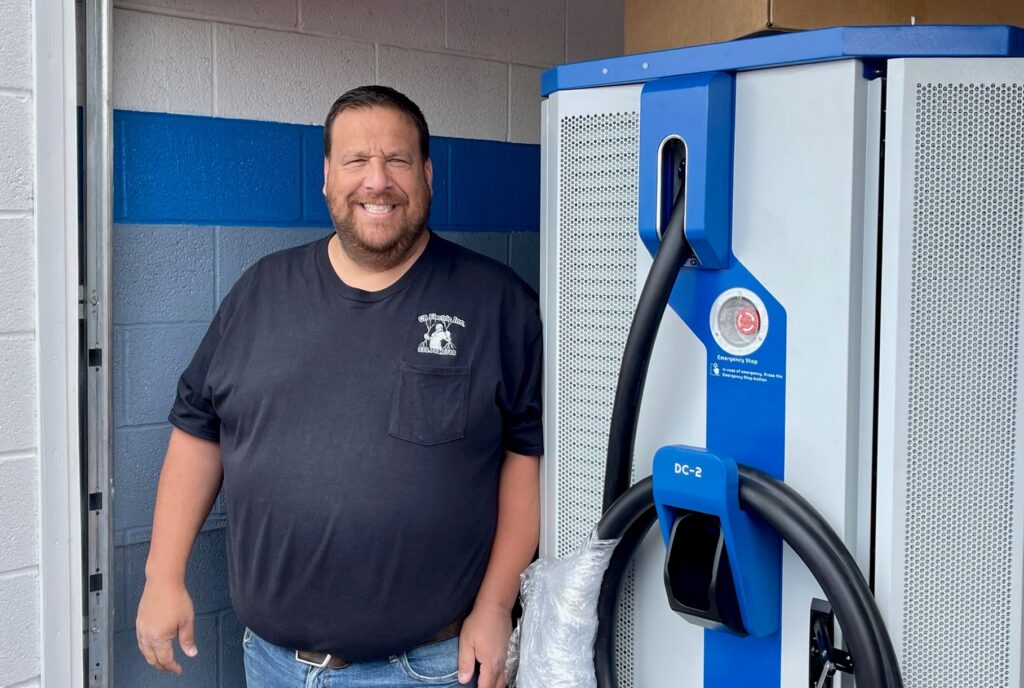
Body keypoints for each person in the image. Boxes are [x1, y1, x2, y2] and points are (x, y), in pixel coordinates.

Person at [135, 85, 543, 688]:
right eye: (356, 161)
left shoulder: (497, 303)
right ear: (327, 177)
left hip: (429, 667)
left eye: (398, 160)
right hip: (271, 663)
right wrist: (162, 577)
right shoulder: (260, 293)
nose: (377, 180)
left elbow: (525, 459)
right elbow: (199, 429)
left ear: (427, 174)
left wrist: (494, 604)